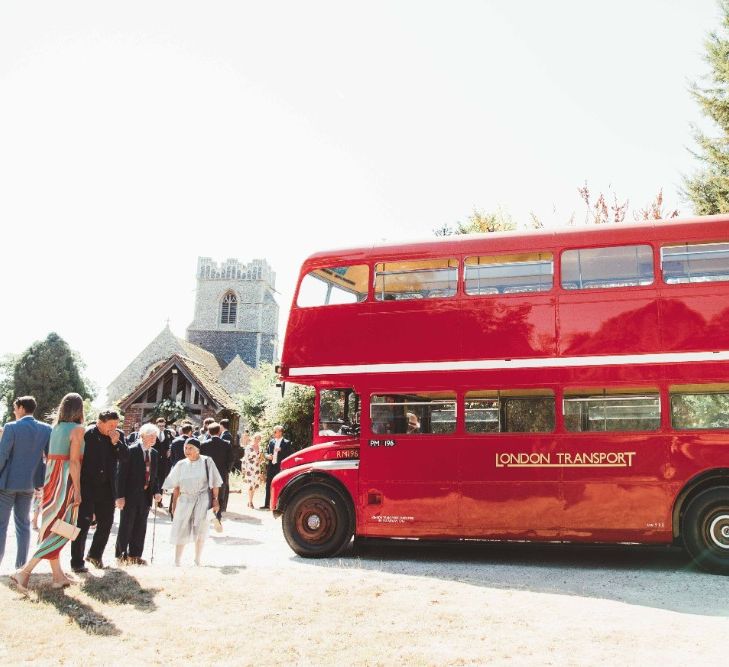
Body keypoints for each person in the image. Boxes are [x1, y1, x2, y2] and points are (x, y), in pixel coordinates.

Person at [10, 393, 84, 593]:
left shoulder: (56, 428)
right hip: (65, 482)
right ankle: (24, 571)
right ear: (80, 409)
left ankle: (58, 577)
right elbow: (75, 462)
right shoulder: (78, 430)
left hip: (51, 480)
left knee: (53, 527)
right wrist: (77, 490)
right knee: (63, 528)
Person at [70, 410, 127, 573]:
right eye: (110, 425)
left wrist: (117, 443)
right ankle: (77, 562)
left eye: (116, 425)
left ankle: (95, 555)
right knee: (83, 524)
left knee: (106, 523)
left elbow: (125, 457)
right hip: (87, 486)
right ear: (99, 422)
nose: (113, 428)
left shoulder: (119, 436)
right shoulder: (88, 434)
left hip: (107, 488)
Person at [0, 396, 51, 569]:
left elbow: (2, 456)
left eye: (15, 408)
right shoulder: (46, 429)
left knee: (1, 525)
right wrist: (40, 482)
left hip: (7, 483)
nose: (14, 411)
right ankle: (20, 566)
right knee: (23, 525)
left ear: (21, 408)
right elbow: (48, 458)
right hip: (29, 484)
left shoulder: (11, 427)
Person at [163, 437, 222, 566]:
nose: (187, 451)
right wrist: (174, 505)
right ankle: (177, 561)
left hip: (202, 499)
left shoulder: (207, 461)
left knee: (201, 529)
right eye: (185, 448)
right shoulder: (180, 464)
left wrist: (215, 500)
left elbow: (215, 483)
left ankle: (197, 559)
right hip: (184, 499)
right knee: (180, 528)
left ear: (197, 450)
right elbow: (176, 487)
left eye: (190, 448)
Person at [115, 423, 161, 565]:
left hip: (145, 494)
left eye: (155, 436)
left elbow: (155, 475)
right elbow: (120, 475)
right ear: (142, 435)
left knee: (141, 526)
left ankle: (135, 555)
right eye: (150, 436)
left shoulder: (154, 453)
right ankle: (121, 555)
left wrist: (157, 491)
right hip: (130, 494)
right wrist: (120, 496)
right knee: (126, 525)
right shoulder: (131, 450)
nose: (153, 438)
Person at [200, 423, 233, 519]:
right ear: (219, 432)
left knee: (208, 494)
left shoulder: (204, 444)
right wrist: (227, 470)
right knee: (220, 494)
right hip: (222, 472)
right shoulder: (226, 444)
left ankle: (208, 514)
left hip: (207, 473)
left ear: (209, 432)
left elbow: (201, 459)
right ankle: (218, 515)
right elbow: (231, 459)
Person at [262, 425, 293, 510]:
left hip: (280, 467)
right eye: (274, 431)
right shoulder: (271, 442)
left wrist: (281, 450)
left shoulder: (286, 442)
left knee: (280, 485)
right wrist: (267, 456)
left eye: (275, 431)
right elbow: (266, 452)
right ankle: (267, 504)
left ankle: (277, 506)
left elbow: (290, 455)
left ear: (280, 432)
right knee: (269, 484)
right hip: (271, 466)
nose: (274, 433)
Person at [154, 418, 174, 505]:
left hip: (164, 461)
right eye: (159, 426)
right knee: (154, 479)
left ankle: (159, 500)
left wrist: (170, 449)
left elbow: (173, 442)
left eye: (163, 426)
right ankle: (151, 498)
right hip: (155, 460)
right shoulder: (153, 433)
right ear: (156, 425)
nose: (161, 427)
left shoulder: (168, 433)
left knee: (162, 480)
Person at [243, 432, 264, 509]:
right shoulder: (249, 447)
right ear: (253, 438)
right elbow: (245, 459)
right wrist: (244, 469)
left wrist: (260, 461)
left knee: (255, 485)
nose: (257, 440)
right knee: (250, 485)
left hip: (257, 468)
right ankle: (250, 502)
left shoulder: (260, 448)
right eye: (256, 438)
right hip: (250, 468)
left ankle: (250, 500)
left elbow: (262, 458)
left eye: (259, 439)